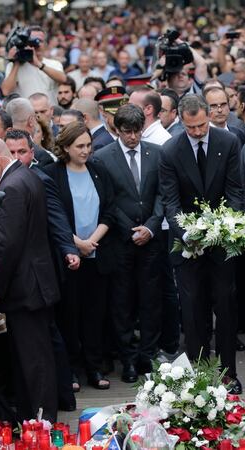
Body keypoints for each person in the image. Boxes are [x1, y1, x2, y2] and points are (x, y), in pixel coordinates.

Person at [159, 94, 244, 394]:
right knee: (192, 310)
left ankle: (228, 373)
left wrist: (224, 226)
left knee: (225, 304)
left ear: (210, 117)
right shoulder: (170, 150)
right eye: (191, 127)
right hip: (187, 245)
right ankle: (197, 375)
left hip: (222, 241)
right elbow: (169, 200)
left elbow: (236, 190)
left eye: (202, 126)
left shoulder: (228, 142)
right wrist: (188, 233)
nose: (197, 132)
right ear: (182, 122)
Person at [0, 136, 61, 422]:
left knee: (33, 358)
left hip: (26, 285)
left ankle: (41, 419)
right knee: (32, 355)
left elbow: (8, 243)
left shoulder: (11, 185)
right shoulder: (24, 176)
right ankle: (33, 416)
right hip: (32, 280)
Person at [92, 104, 165, 381]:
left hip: (151, 239)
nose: (132, 137)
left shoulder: (156, 153)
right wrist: (129, 228)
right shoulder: (103, 157)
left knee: (151, 301)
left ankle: (147, 356)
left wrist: (150, 226)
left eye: (137, 131)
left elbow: (162, 193)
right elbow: (106, 200)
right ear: (116, 130)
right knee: (122, 304)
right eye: (127, 132)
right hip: (119, 242)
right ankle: (128, 359)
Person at [44, 123, 117, 390]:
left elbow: (110, 210)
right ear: (65, 148)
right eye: (80, 146)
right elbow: (54, 217)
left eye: (88, 145)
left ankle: (94, 368)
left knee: (95, 315)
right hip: (69, 256)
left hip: (97, 255)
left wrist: (92, 242)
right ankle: (71, 370)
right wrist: (76, 244)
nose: (86, 151)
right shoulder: (52, 174)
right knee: (69, 315)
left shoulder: (99, 171)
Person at [1, 26, 67, 102]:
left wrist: (39, 64)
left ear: (45, 44)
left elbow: (63, 79)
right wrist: (17, 63)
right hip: (26, 112)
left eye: (40, 41)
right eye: (32, 40)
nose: (36, 44)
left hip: (49, 111)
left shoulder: (54, 64)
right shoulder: (14, 66)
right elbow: (6, 91)